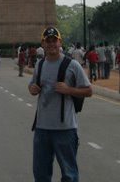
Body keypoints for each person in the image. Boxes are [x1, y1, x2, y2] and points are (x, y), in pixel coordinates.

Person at [28, 27, 92, 182]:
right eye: (48, 41)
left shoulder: (73, 65)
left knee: (69, 175)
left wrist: (69, 89)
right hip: (42, 129)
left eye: (54, 41)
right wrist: (32, 89)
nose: (51, 44)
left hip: (65, 129)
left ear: (60, 42)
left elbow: (88, 90)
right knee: (41, 174)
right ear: (43, 44)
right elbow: (32, 86)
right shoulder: (40, 65)